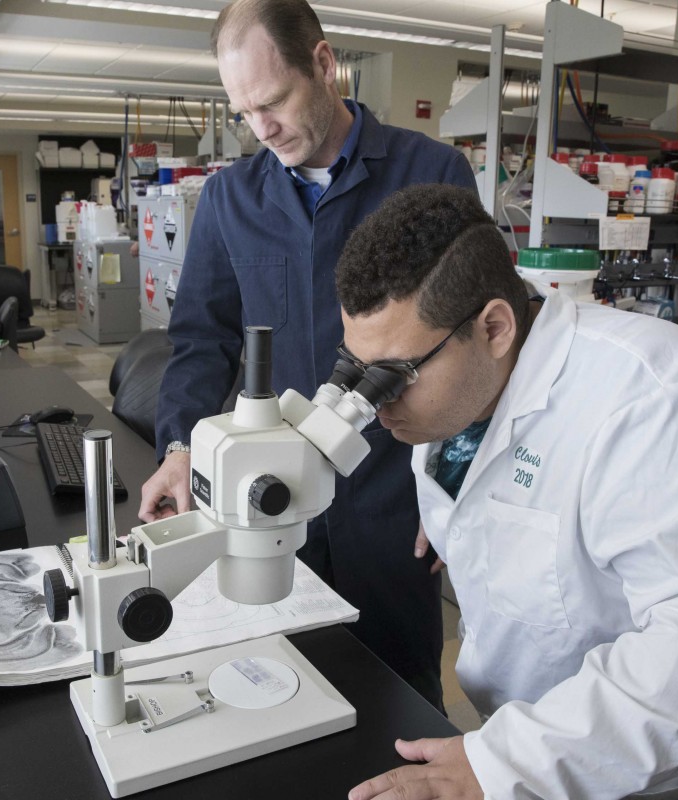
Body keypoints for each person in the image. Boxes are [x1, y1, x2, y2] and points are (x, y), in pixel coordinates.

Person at [338, 184, 678, 799]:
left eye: (393, 375)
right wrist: (463, 516)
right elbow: (521, 493)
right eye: (356, 367)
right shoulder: (456, 397)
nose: (373, 403)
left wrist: (511, 764)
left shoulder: (662, 401)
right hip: (548, 744)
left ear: (494, 327)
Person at [138, 0, 475, 709]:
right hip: (267, 499)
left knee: (401, 697)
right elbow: (202, 338)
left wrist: (458, 480)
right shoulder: (232, 197)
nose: (260, 128)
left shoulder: (431, 172)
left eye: (273, 101)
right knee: (271, 686)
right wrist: (179, 447)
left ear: (324, 66)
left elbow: (474, 341)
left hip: (393, 497)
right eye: (242, 113)